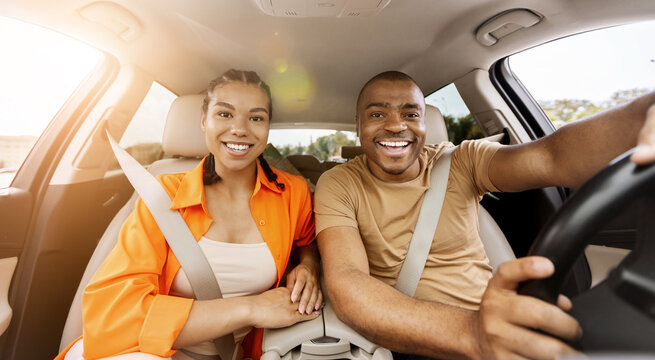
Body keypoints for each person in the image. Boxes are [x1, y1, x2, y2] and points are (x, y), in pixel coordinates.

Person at [314, 70, 655, 359]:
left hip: (500, 323)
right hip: (417, 340)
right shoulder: (339, 183)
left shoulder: (461, 161)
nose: (395, 126)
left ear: (423, 122)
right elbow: (347, 281)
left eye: (410, 114)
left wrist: (642, 114)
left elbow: (551, 156)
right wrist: (473, 333)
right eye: (377, 115)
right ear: (358, 126)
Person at [56, 69, 323, 360]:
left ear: (268, 127)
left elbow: (306, 240)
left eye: (256, 117)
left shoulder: (291, 191)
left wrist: (308, 266)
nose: (240, 129)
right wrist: (252, 308)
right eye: (225, 114)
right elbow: (114, 315)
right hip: (145, 352)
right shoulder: (163, 195)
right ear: (203, 121)